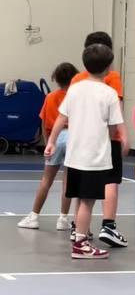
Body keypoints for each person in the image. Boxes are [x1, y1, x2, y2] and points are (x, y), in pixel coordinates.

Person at [44, 44, 127, 259]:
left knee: (80, 199)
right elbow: (114, 126)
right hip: (94, 157)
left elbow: (62, 119)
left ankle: (79, 235)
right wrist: (115, 140)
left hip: (75, 156)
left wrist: (51, 142)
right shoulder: (109, 93)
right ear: (108, 67)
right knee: (88, 201)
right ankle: (81, 244)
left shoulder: (75, 88)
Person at [70, 31, 128, 247]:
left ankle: (78, 228)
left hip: (81, 141)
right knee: (111, 180)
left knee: (81, 186)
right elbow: (117, 108)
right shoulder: (112, 77)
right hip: (106, 138)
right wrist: (121, 135)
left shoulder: (77, 79)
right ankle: (109, 226)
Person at [18, 62, 78, 230]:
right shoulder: (76, 97)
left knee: (46, 179)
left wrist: (48, 143)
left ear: (56, 79)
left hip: (56, 137)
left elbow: (44, 124)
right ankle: (63, 219)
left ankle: (34, 216)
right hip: (73, 138)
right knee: (68, 181)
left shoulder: (50, 97)